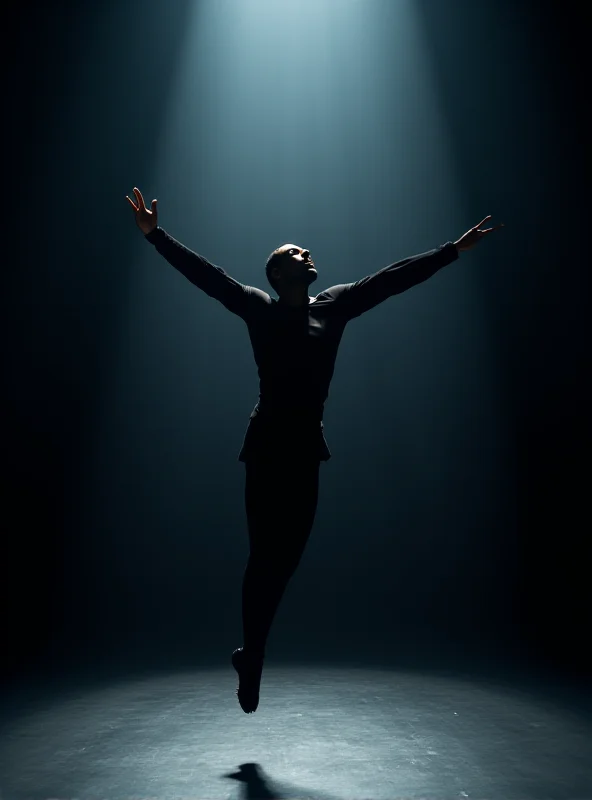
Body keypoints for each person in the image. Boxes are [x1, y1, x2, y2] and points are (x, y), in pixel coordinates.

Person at [126, 187, 503, 713]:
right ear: (277, 274)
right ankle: (253, 655)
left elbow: (389, 281)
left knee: (287, 558)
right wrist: (156, 236)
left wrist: (450, 251)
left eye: (305, 252)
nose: (307, 256)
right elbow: (208, 279)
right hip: (266, 446)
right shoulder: (259, 308)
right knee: (264, 555)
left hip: (306, 448)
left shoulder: (335, 305)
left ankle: (250, 651)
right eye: (295, 254)